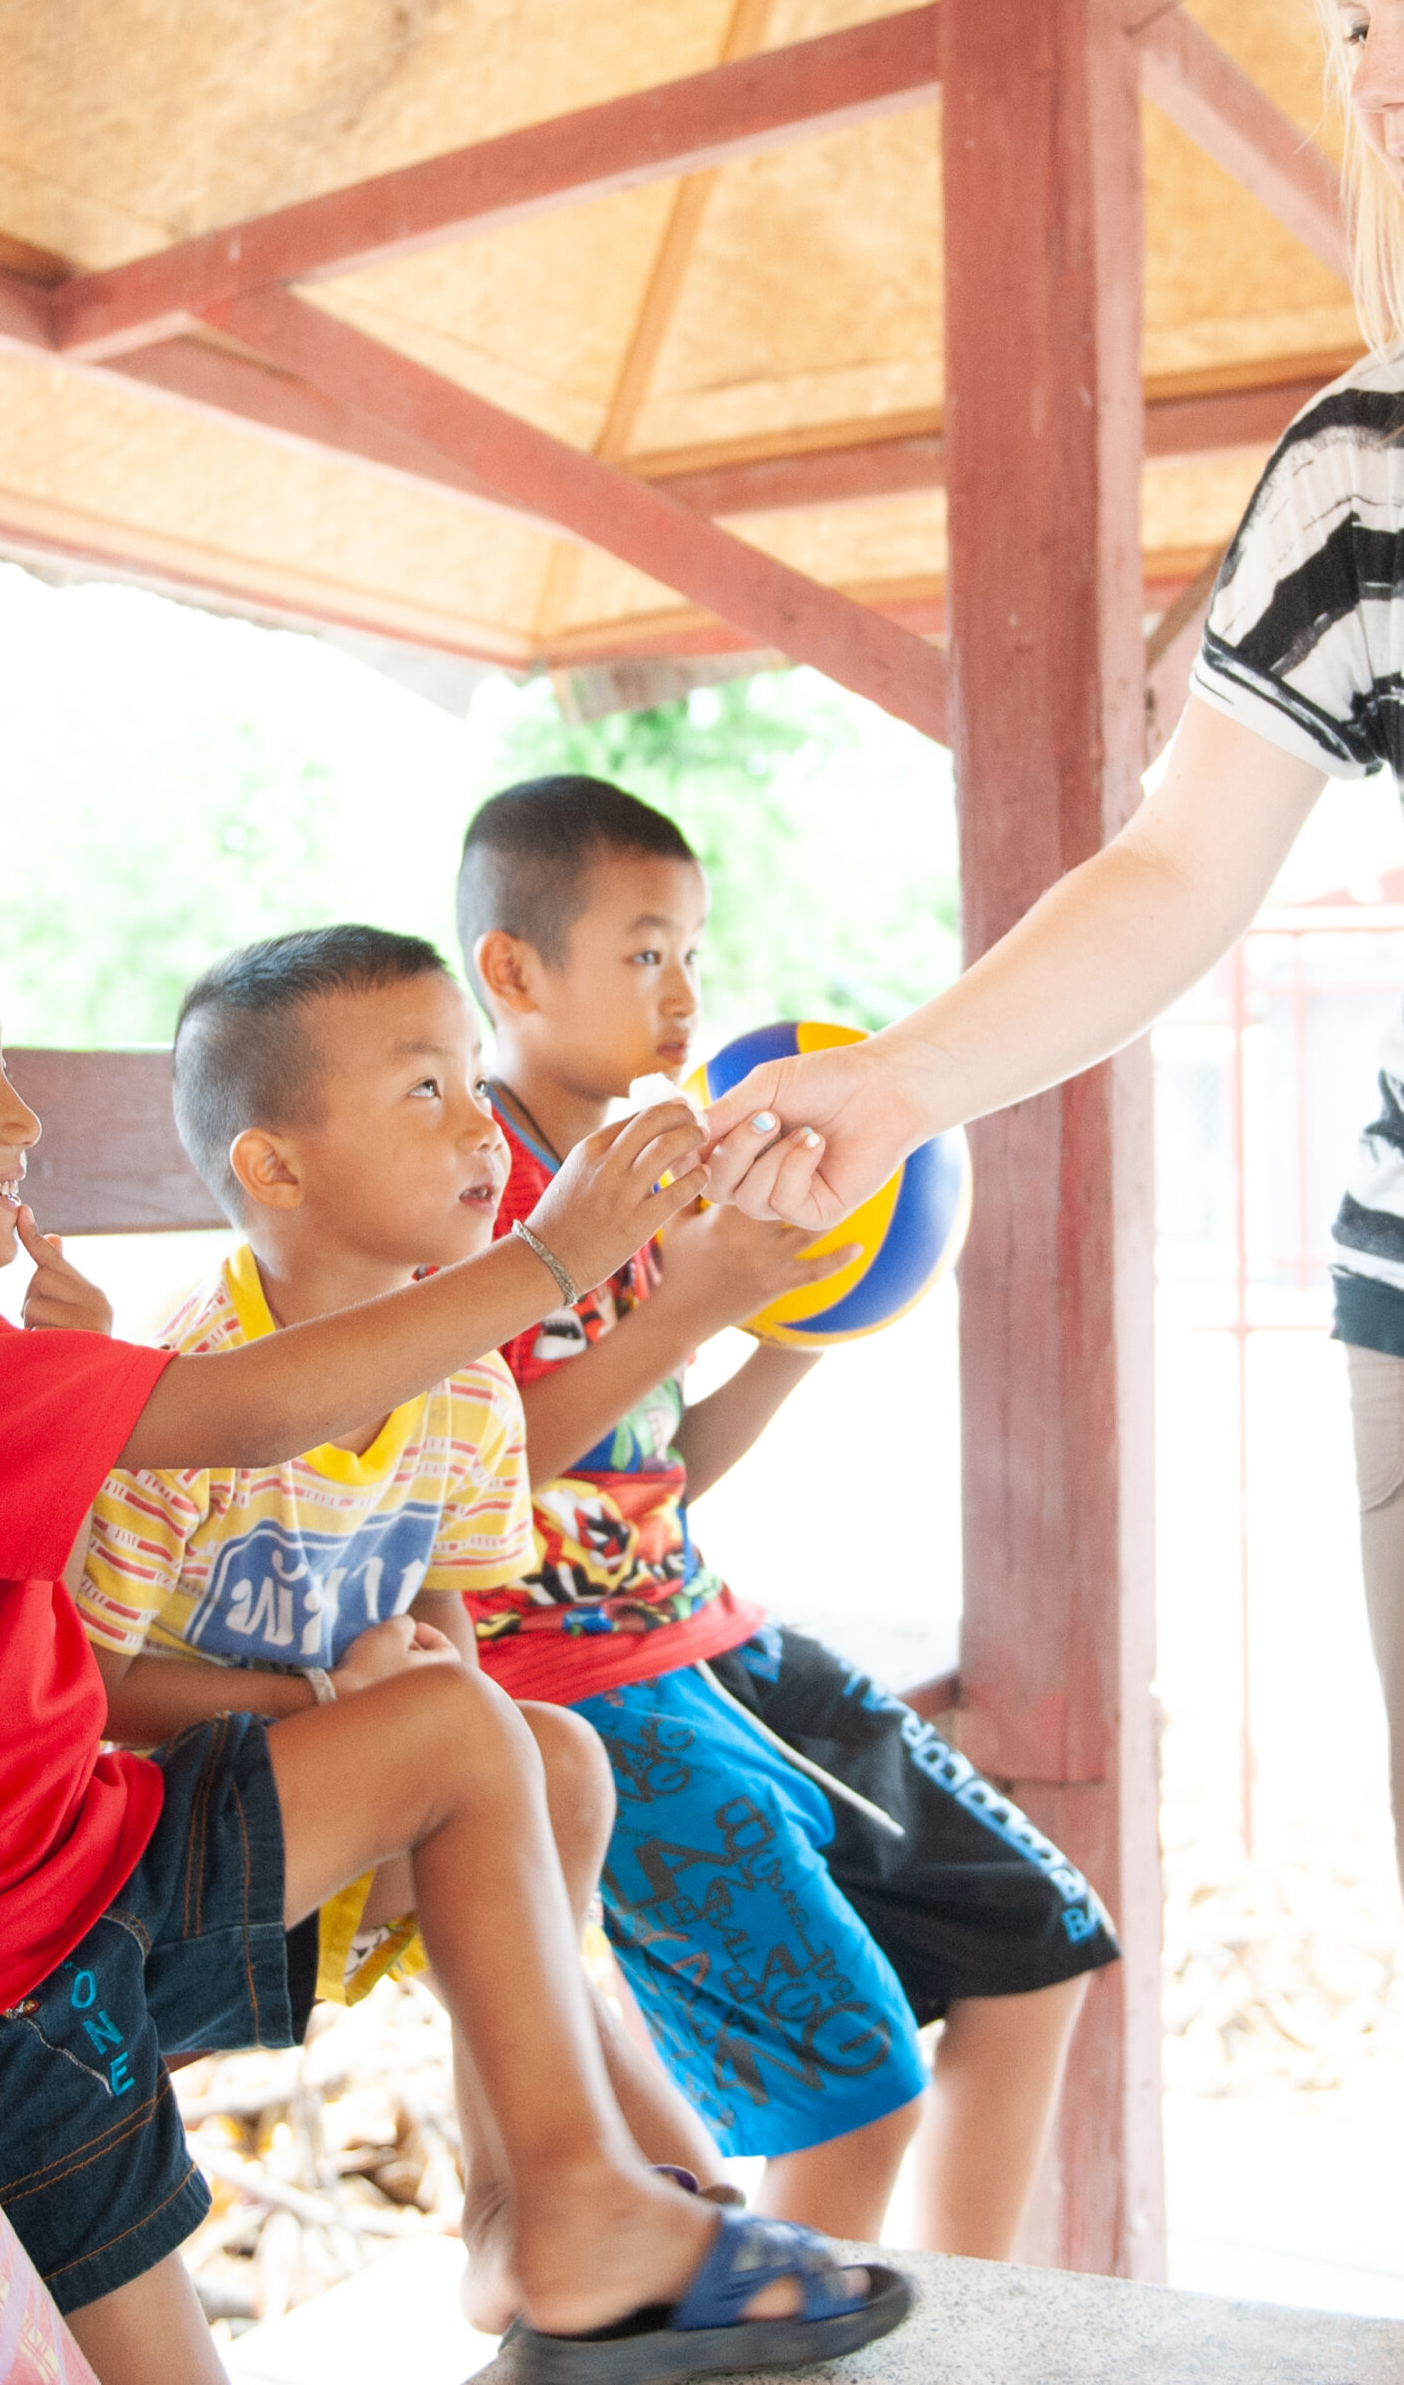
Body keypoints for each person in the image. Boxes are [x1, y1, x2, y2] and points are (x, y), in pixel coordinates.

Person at [697, 0, 1404, 2359]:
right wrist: (893, 1090)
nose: (1382, 78)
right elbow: (1173, 869)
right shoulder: (1365, 464)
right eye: (1353, 21)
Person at [0, 896, 910, 2385]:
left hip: (81, 1870)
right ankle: (576, 2206)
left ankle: (544, 2208)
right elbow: (236, 1419)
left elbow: (424, 1613)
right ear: (275, 1167)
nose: (25, 1111)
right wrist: (552, 1262)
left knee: (504, 1742)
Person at [453, 775, 1120, 2256]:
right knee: (856, 2088)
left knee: (1040, 1940)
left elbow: (658, 1464)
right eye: (641, 952)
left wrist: (794, 1322)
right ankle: (807, 2333)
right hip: (567, 1693)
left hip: (703, 1640)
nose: (684, 993)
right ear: (511, 971)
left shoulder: (632, 1174)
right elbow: (476, 1480)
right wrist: (685, 1297)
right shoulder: (466, 1195)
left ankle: (952, 2338)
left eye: (693, 949)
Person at [72, 923, 725, 2190]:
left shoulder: (467, 1389)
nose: (481, 1125)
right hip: (170, 1857)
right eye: (425, 1089)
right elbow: (88, 1695)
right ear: (274, 1164)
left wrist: (419, 1710)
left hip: (361, 1813)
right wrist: (326, 1703)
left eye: (477, 1082)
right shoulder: (183, 1395)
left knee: (562, 1763)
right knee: (511, 1759)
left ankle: (531, 2198)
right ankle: (603, 2202)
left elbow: (448, 1640)